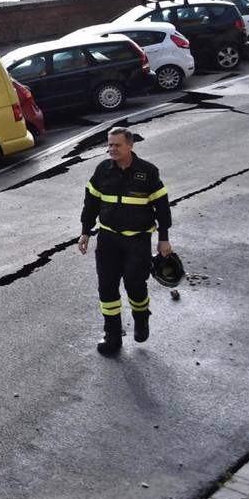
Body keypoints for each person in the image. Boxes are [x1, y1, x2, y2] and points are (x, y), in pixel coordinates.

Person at [78, 127, 173, 356]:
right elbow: (90, 202)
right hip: (108, 239)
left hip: (137, 240)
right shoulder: (102, 170)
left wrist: (163, 239)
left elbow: (162, 207)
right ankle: (112, 336)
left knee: (134, 283)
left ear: (130, 145)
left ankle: (141, 319)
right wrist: (85, 232)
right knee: (107, 287)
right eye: (109, 145)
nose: (111, 149)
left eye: (116, 145)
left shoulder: (148, 172)